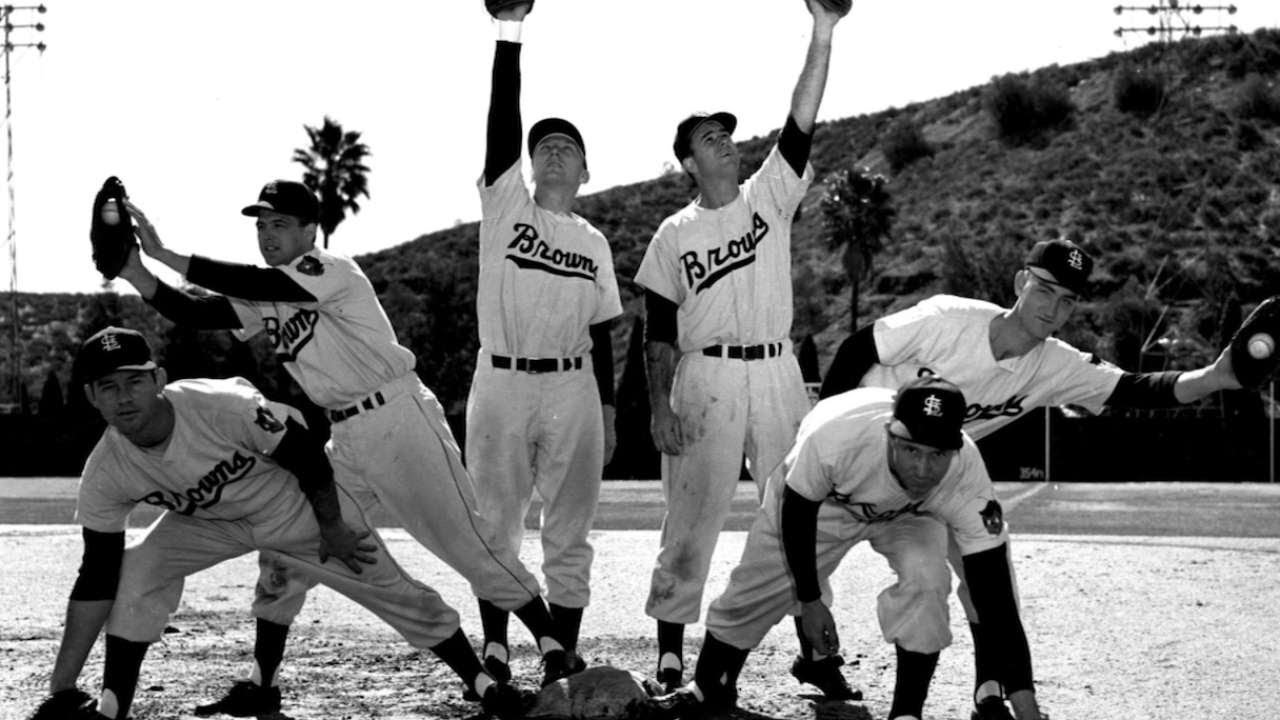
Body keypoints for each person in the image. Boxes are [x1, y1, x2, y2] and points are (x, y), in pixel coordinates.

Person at [113, 179, 577, 715]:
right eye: (261, 225)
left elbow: (250, 281)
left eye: (280, 224)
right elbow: (200, 313)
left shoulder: (327, 269)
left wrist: (168, 253)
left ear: (310, 231)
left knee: (464, 544)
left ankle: (556, 649)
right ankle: (262, 685)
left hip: (397, 419)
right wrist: (138, 273)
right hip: (346, 436)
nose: (267, 234)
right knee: (288, 546)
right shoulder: (270, 296)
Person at [817, 238, 1243, 719]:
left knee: (986, 580)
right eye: (1045, 290)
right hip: (865, 454)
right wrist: (826, 432)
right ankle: (793, 658)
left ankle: (989, 690)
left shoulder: (1054, 363)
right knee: (785, 566)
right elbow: (856, 349)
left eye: (1068, 300)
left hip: (943, 475)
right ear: (1021, 283)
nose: (1054, 308)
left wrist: (1215, 376)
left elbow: (1134, 387)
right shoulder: (948, 319)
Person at [30, 327, 523, 720]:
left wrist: (332, 528)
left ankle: (481, 682)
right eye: (108, 387)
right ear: (92, 397)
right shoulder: (105, 472)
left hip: (291, 504)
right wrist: (61, 688)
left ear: (158, 379)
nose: (124, 397)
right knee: (133, 571)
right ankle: (111, 706)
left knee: (385, 583)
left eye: (134, 380)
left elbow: (307, 457)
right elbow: (96, 574)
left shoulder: (217, 403)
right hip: (209, 523)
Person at [632, 0, 848, 695]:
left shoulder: (768, 198)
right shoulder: (674, 234)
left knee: (796, 508)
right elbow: (658, 330)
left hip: (778, 370)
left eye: (726, 133)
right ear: (688, 164)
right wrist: (661, 405)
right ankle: (671, 652)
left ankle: (817, 651)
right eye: (708, 138)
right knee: (691, 517)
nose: (724, 141)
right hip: (706, 377)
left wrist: (822, 30)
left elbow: (801, 119)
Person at [655, 377, 1049, 720]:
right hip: (825, 504)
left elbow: (995, 598)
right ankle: (708, 684)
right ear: (890, 434)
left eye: (937, 455)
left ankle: (907, 711)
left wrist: (1026, 707)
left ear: (955, 450)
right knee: (758, 586)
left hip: (912, 514)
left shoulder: (965, 475)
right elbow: (798, 509)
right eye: (912, 450)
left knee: (928, 578)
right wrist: (809, 602)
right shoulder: (837, 436)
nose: (924, 468)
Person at [467, 0, 623, 684]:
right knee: (495, 520)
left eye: (568, 147)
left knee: (570, 525)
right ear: (527, 167)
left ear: (586, 172)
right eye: (543, 147)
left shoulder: (595, 242)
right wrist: (510, 34)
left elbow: (604, 330)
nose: (553, 150)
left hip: (574, 384)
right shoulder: (507, 208)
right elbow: (503, 122)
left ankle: (563, 651)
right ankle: (498, 645)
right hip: (501, 378)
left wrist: (611, 409)